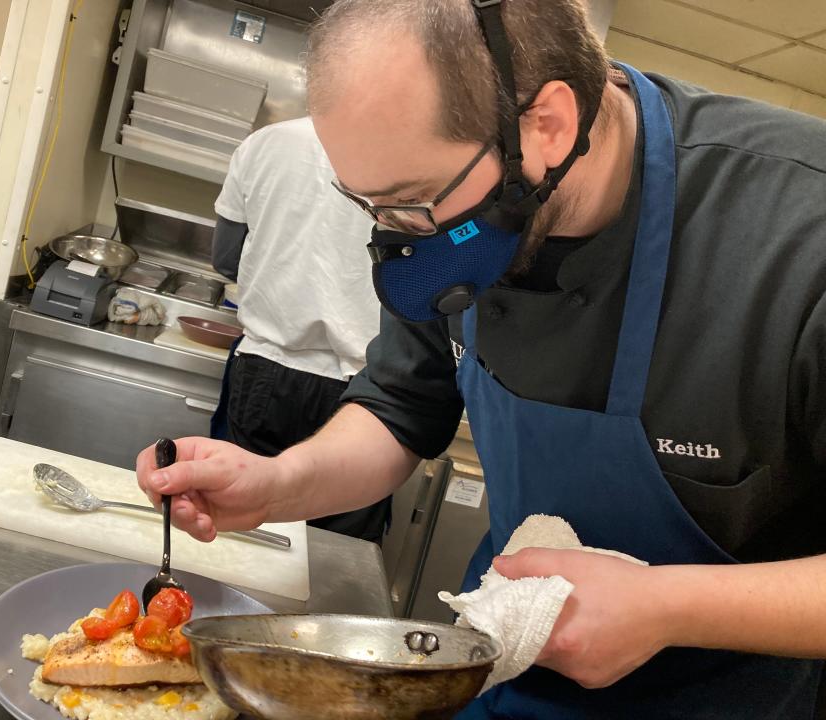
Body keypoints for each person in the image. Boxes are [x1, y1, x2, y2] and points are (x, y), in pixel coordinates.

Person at [137, 0, 826, 716]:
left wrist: (669, 607)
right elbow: (402, 409)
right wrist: (280, 485)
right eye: (367, 204)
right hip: (505, 681)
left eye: (410, 202)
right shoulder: (448, 227)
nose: (394, 232)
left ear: (548, 126)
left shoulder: (800, 235)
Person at [208, 116, 390, 544]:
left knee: (242, 531)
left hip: (268, 369)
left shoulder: (266, 142)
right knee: (340, 551)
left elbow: (225, 258)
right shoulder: (410, 153)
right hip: (367, 387)